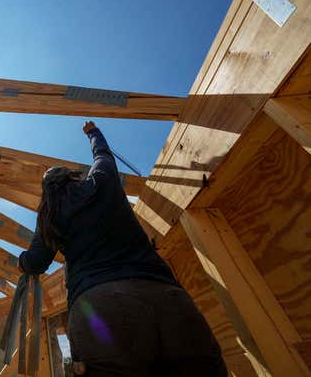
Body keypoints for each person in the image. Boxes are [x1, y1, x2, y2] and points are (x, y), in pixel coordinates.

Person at [18, 121, 227, 377]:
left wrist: (22, 262)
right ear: (71, 175)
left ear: (47, 190)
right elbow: (103, 155)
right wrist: (93, 132)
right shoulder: (102, 182)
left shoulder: (50, 213)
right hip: (163, 294)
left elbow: (37, 261)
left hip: (100, 305)